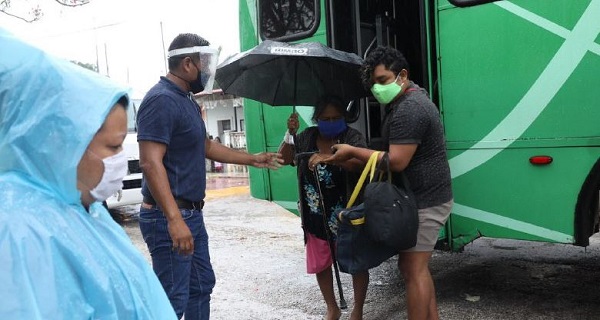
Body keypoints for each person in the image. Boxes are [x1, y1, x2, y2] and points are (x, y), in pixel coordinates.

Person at [0, 28, 176, 319]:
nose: (121, 159)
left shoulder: (85, 209)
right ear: (65, 142)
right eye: (113, 146)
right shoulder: (18, 228)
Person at [137, 33, 282, 320]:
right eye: (205, 63)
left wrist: (253, 158)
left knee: (201, 287)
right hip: (169, 217)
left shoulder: (186, 100)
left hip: (191, 214)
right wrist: (175, 220)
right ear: (188, 63)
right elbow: (150, 163)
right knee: (171, 299)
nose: (207, 71)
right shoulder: (160, 100)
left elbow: (205, 145)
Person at [324, 46, 453, 320]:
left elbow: (397, 161)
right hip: (425, 196)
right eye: (373, 84)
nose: (377, 89)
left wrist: (354, 151)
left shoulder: (410, 109)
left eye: (382, 80)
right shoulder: (411, 99)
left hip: (427, 199)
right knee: (415, 268)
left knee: (412, 269)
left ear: (402, 75)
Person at [278, 96, 368, 320]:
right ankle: (332, 307)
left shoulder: (352, 137)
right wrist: (290, 133)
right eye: (325, 118)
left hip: (347, 213)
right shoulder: (307, 137)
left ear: (343, 118)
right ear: (316, 119)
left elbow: (363, 164)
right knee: (321, 264)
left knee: (357, 263)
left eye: (335, 118)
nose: (330, 122)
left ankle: (357, 309)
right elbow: (284, 158)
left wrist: (329, 159)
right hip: (315, 214)